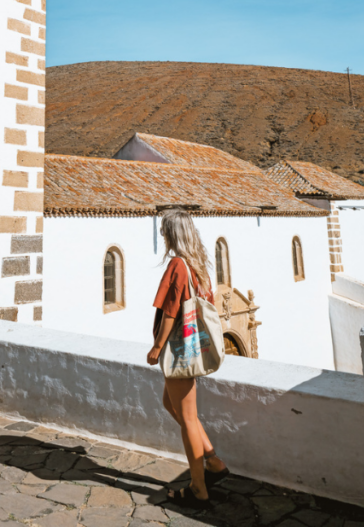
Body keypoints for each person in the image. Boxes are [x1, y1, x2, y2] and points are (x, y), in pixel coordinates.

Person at [147, 207, 229, 508]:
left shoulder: (177, 266)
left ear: (172, 234)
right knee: (172, 405)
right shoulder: (197, 266)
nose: (162, 235)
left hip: (180, 348)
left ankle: (198, 487)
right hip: (192, 345)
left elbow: (170, 311)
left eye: (164, 230)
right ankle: (214, 462)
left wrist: (157, 347)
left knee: (188, 418)